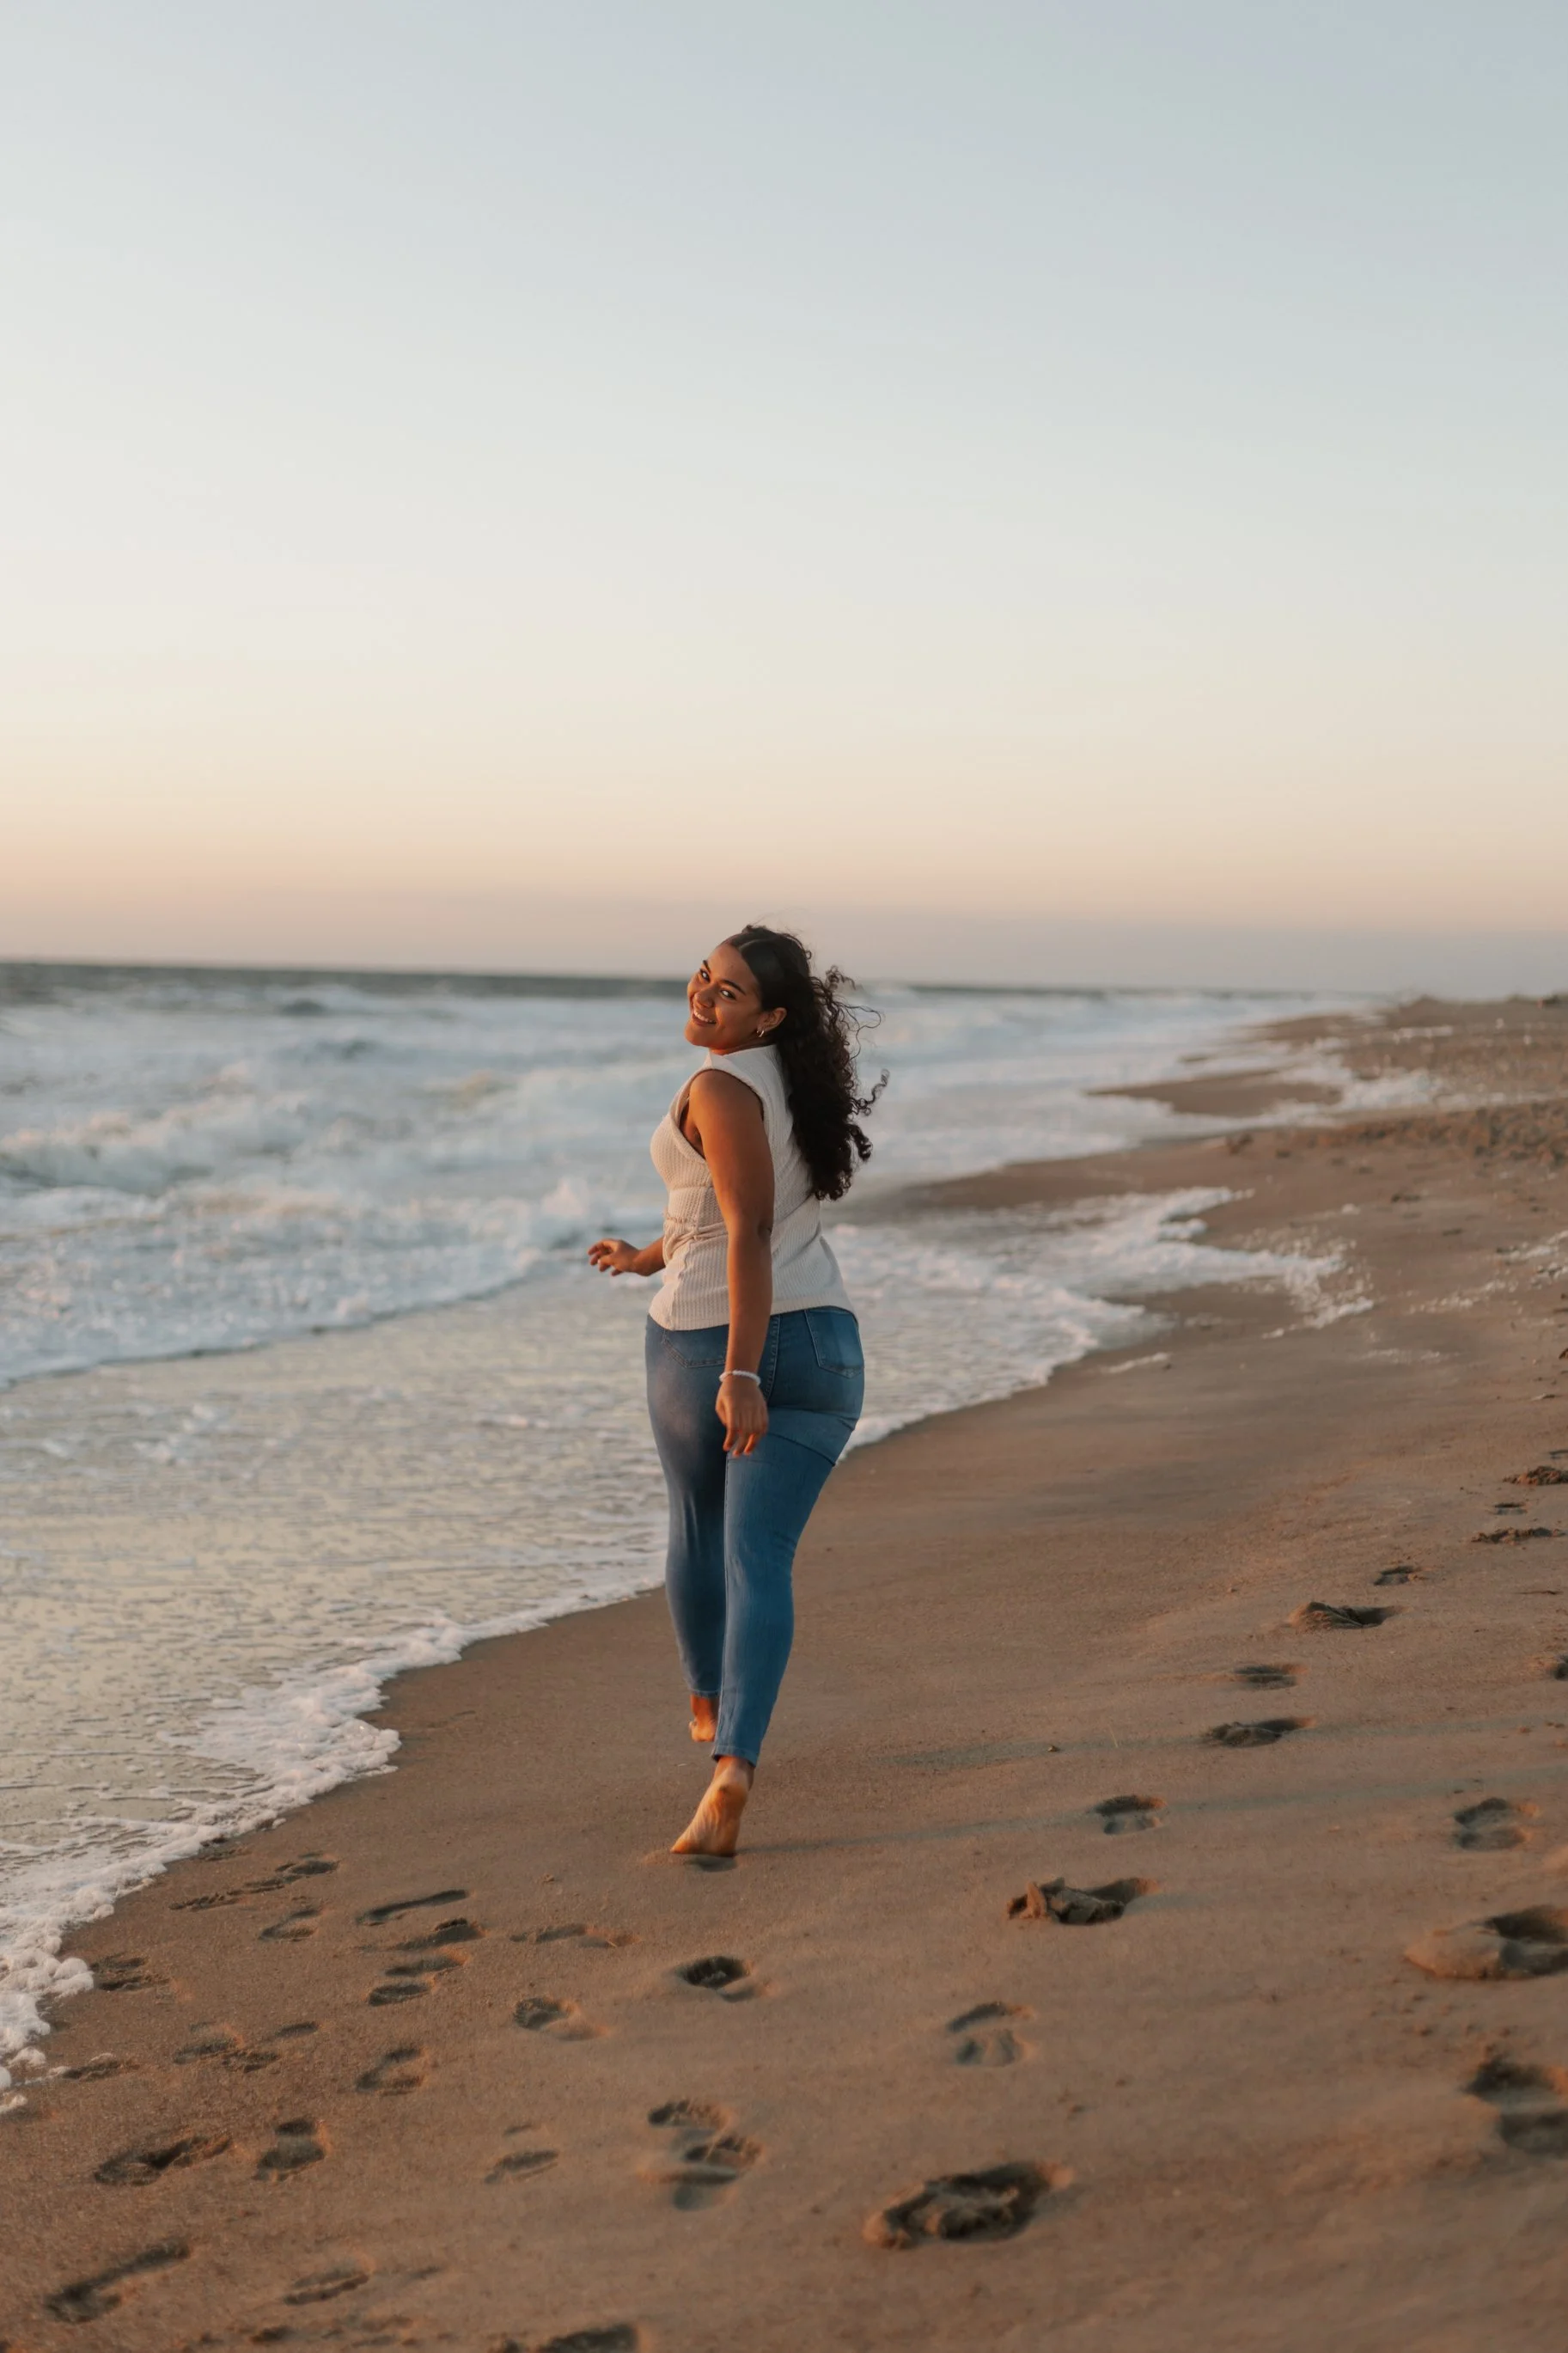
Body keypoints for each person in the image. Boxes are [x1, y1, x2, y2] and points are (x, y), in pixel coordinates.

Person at [589, 925, 881, 1856]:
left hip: (714, 1343)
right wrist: (644, 1255)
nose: (703, 995)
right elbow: (716, 1211)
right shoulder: (792, 1081)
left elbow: (746, 1230)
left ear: (770, 1014)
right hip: (827, 1343)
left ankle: (709, 1709)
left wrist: (742, 1372)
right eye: (704, 977)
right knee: (761, 1555)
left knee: (700, 1529)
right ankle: (734, 1765)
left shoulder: (717, 1086)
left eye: (728, 991)